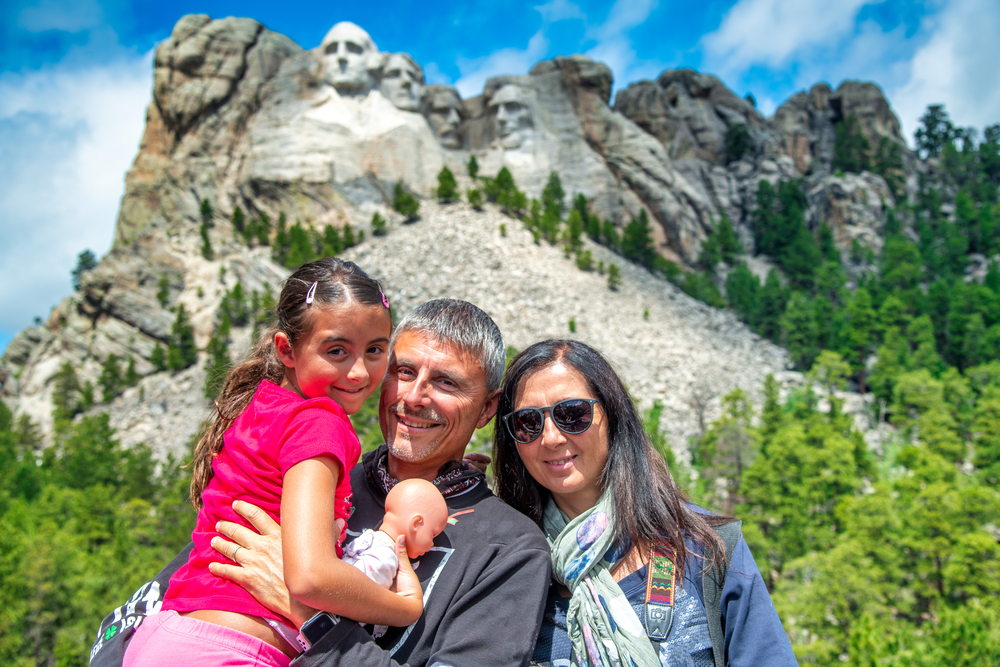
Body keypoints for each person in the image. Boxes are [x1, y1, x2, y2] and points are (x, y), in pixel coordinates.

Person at [90, 298, 552, 667]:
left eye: (446, 383)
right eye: (403, 371)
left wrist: (312, 615)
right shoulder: (313, 476)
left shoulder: (509, 550)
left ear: (488, 409)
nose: (413, 397)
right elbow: (137, 614)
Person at [122, 258, 427, 667]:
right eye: (336, 350)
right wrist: (404, 607)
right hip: (228, 650)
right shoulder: (320, 422)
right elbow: (310, 577)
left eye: (375, 350)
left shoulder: (262, 406)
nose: (358, 372)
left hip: (170, 636)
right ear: (287, 349)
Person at [492, 339, 798, 667]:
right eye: (528, 422)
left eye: (572, 414)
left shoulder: (707, 548)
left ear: (612, 415)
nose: (551, 437)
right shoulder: (506, 568)